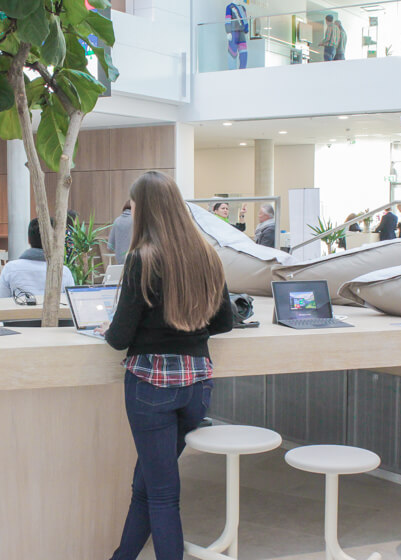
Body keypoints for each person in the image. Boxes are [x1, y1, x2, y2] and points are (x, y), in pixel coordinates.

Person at [96, 171, 233, 560]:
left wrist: (108, 327)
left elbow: (119, 337)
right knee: (148, 484)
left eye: (134, 204)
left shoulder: (142, 259)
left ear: (146, 209)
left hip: (151, 388)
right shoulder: (207, 254)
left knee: (161, 494)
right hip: (197, 390)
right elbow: (224, 322)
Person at [0, 218, 75, 298]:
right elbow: (71, 305)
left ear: (28, 240)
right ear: (54, 241)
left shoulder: (10, 269)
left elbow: (0, 303)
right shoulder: (63, 271)